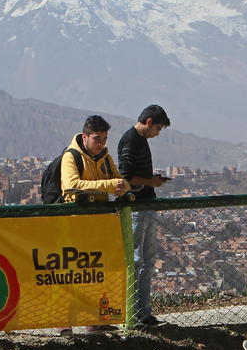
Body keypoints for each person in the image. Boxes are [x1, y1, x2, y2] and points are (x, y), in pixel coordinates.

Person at [59, 114, 130, 334]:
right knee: (72, 273)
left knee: (96, 273)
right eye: (97, 139)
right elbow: (71, 184)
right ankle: (64, 322)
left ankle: (95, 319)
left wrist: (122, 187)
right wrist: (108, 185)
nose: (101, 144)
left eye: (104, 139)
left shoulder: (105, 159)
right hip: (74, 225)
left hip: (98, 225)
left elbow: (119, 180)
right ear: (85, 137)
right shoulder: (71, 157)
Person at [118, 104, 171, 326]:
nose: (157, 133)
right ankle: (133, 312)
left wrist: (151, 181)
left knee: (147, 261)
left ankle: (143, 312)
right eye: (157, 128)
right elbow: (126, 176)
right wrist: (152, 182)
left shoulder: (139, 141)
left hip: (146, 204)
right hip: (136, 206)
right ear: (149, 122)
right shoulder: (130, 140)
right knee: (136, 260)